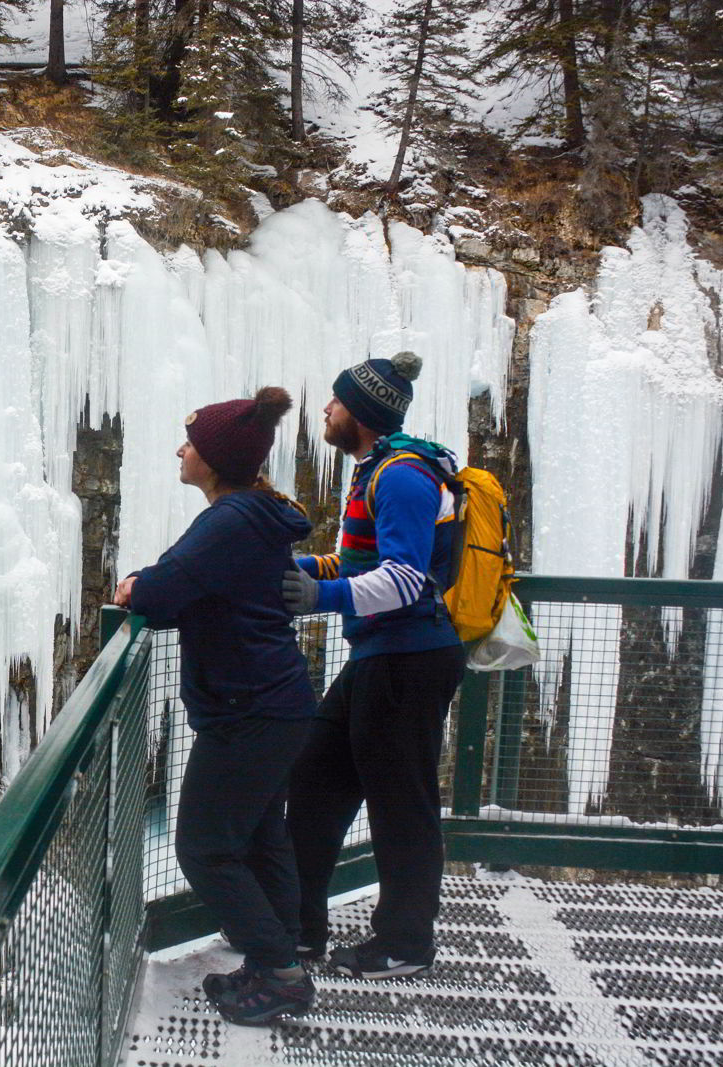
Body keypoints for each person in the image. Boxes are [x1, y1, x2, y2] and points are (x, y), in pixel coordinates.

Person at [113, 386, 318, 1026]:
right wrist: (159, 586)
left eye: (192, 443)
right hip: (270, 703)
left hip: (249, 711)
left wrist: (135, 588)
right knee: (259, 838)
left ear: (215, 459)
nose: (181, 450)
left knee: (203, 848)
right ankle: (277, 960)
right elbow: (191, 582)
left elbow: (163, 589)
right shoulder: (250, 515)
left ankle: (282, 974)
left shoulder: (230, 521)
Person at [281, 351, 467, 979]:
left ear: (359, 411)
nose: (325, 411)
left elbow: (407, 581)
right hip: (380, 656)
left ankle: (405, 943)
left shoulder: (403, 478)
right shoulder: (372, 471)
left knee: (400, 802)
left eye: (334, 402)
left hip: (410, 661)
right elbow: (357, 564)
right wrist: (289, 572)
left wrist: (319, 598)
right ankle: (298, 928)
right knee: (314, 779)